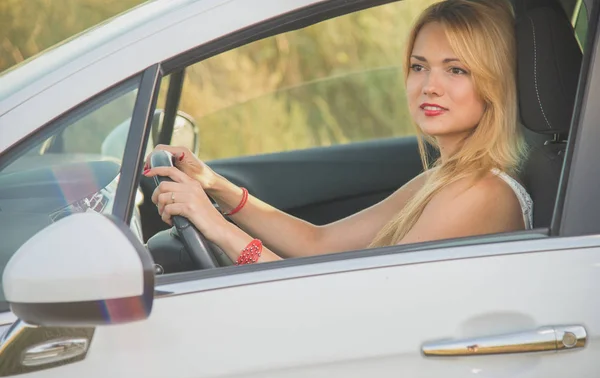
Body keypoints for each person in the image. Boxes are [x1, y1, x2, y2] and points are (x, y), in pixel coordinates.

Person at [143, 0, 532, 266]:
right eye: (419, 66)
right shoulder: (447, 178)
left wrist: (216, 228)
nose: (429, 85)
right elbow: (319, 244)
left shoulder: (479, 193)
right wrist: (214, 186)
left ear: (493, 82)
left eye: (456, 70)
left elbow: (352, 306)